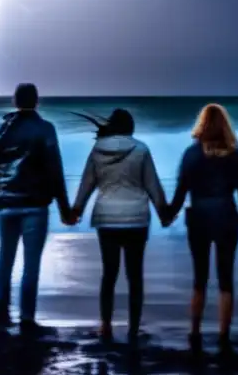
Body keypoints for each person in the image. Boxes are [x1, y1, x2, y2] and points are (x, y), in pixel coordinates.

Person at [71, 108, 168, 343]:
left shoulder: (97, 150)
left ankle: (105, 326)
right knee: (135, 276)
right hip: (136, 219)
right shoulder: (141, 149)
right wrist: (164, 212)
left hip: (107, 218)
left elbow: (86, 185)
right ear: (130, 128)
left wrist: (75, 211)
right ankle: (133, 329)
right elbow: (153, 185)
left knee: (109, 274)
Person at [0, 82, 73, 333]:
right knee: (30, 264)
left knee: (5, 259)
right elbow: (55, 169)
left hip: (6, 203)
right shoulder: (45, 129)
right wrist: (64, 207)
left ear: (14, 101)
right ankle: (26, 317)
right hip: (35, 205)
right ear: (37, 101)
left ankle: (0, 312)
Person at [167, 103, 238, 354]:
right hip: (227, 215)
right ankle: (224, 335)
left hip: (199, 218)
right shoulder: (235, 153)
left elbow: (182, 190)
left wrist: (169, 214)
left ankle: (195, 332)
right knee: (226, 278)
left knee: (199, 278)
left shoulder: (191, 154)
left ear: (201, 124)